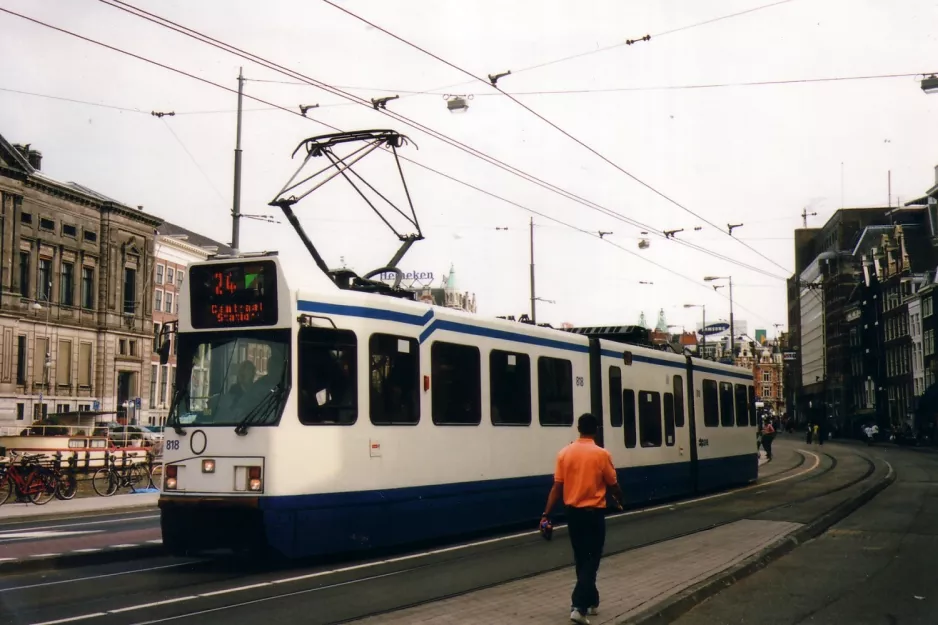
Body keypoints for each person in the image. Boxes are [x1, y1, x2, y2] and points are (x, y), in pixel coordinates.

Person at [542, 413, 625, 625]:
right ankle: (578, 607)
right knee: (592, 558)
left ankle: (591, 601)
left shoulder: (564, 454)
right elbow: (612, 483)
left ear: (578, 429)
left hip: (573, 514)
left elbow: (557, 487)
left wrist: (546, 514)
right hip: (593, 513)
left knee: (581, 558)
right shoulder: (601, 454)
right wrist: (619, 497)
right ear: (595, 430)